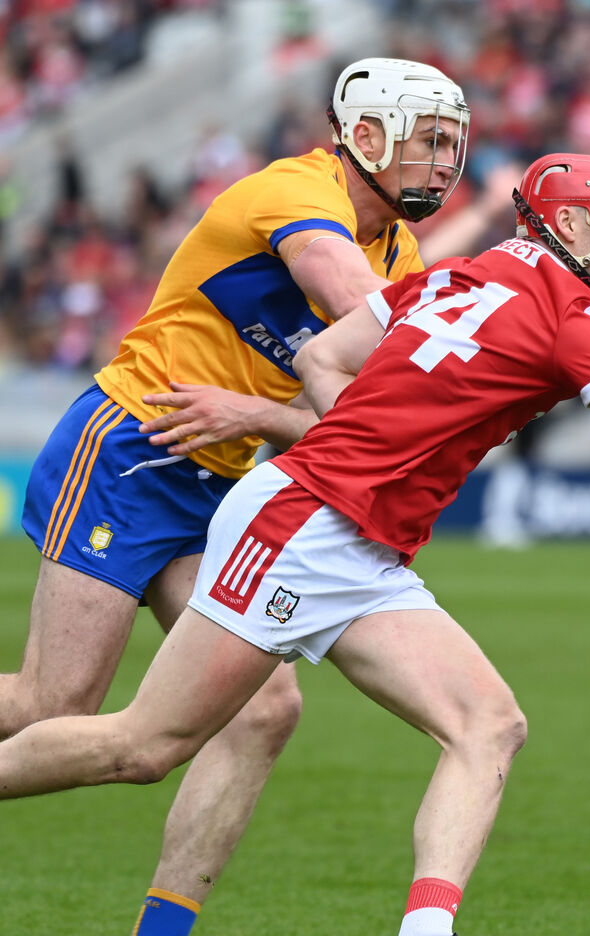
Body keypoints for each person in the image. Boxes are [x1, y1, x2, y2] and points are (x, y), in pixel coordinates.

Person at [0, 153, 590, 935]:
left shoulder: (455, 276)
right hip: (301, 523)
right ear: (574, 225)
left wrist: (433, 410)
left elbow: (324, 360)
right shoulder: (569, 318)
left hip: (363, 549)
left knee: (488, 725)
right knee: (143, 746)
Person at [0, 57, 471, 936]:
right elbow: (342, 288)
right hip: (131, 445)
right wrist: (460, 362)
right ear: (364, 137)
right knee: (52, 703)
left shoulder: (400, 251)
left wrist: (260, 409)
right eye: (428, 142)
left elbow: (344, 418)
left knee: (261, 708)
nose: (444, 163)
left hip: (216, 486)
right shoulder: (297, 195)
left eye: (453, 145)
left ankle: (163, 930)